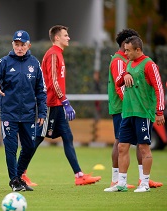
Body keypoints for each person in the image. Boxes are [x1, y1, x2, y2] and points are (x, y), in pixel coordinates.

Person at [22, 25, 101, 186]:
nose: (68, 37)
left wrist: (62, 102)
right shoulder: (52, 54)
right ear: (57, 38)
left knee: (67, 137)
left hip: (57, 104)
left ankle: (79, 175)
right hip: (51, 104)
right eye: (66, 35)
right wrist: (65, 102)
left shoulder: (59, 54)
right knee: (37, 138)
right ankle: (20, 173)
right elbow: (52, 81)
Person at [0, 30, 47, 192]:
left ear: (29, 46)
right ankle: (14, 181)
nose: (19, 48)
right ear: (13, 45)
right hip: (9, 114)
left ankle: (19, 177)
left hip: (28, 115)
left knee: (29, 147)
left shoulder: (35, 63)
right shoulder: (4, 62)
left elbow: (41, 90)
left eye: (23, 45)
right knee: (11, 148)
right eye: (16, 44)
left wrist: (42, 112)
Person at [104, 29, 163, 192]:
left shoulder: (149, 64)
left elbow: (159, 87)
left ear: (138, 50)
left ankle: (144, 183)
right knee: (122, 146)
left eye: (128, 50)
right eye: (125, 49)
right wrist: (125, 76)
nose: (126, 52)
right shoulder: (128, 63)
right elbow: (118, 82)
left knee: (143, 147)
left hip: (142, 112)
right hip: (128, 112)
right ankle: (121, 183)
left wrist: (159, 111)